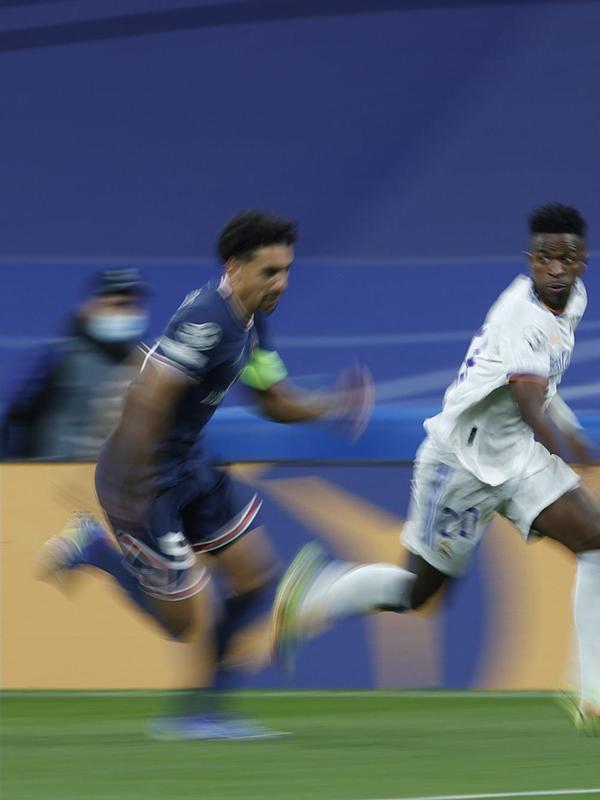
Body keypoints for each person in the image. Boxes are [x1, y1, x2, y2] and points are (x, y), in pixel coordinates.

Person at [273, 203, 600, 735]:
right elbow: (528, 400)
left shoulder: (575, 302)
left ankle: (591, 692)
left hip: (516, 457)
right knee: (418, 594)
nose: (557, 269)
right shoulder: (521, 316)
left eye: (567, 258)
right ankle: (316, 596)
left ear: (583, 261)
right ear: (530, 260)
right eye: (546, 258)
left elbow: (546, 386)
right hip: (460, 464)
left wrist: (579, 438)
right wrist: (574, 459)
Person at [35, 210, 372, 740]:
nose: (280, 283)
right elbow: (148, 397)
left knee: (254, 579)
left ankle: (202, 711)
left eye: (286, 271)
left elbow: (272, 399)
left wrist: (330, 406)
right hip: (141, 479)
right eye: (269, 272)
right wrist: (142, 497)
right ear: (235, 266)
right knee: (181, 623)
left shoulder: (252, 316)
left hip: (189, 463)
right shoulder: (208, 321)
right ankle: (95, 549)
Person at [2, 268, 150, 460]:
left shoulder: (148, 364)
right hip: (52, 477)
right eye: (117, 305)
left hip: (117, 483)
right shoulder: (58, 358)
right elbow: (17, 418)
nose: (126, 313)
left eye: (132, 305)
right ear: (89, 308)